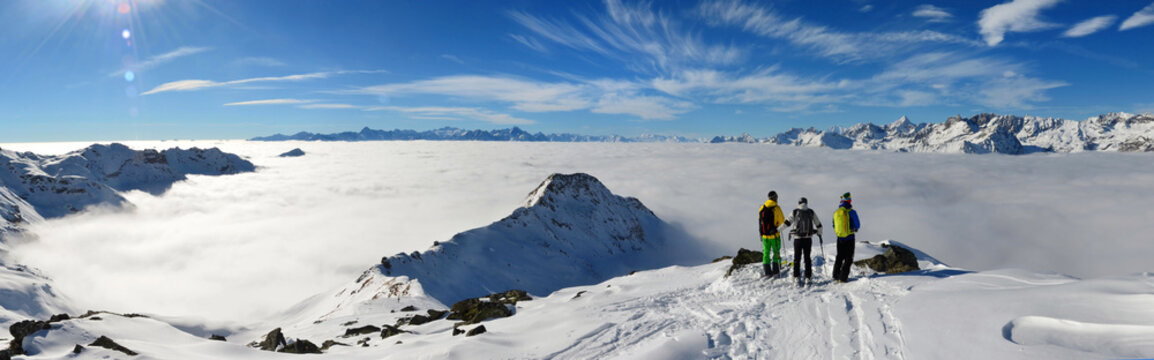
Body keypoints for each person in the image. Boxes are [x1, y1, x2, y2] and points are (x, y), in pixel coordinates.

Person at [784, 197, 822, 285]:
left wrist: (778, 229)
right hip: (808, 238)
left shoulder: (795, 211)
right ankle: (808, 277)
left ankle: (796, 277)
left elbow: (787, 222)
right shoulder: (811, 212)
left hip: (797, 239)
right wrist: (819, 233)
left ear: (799, 203)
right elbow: (818, 224)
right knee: (807, 258)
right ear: (806, 203)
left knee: (797, 258)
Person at [832, 192, 861, 283]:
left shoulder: (836, 212)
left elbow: (833, 225)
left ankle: (835, 275)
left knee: (839, 257)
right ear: (849, 201)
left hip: (839, 238)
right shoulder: (851, 212)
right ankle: (843, 278)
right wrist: (854, 228)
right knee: (848, 258)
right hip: (850, 237)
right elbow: (858, 225)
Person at [758, 191, 785, 278]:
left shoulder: (762, 207)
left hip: (765, 236)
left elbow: (760, 222)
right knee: (776, 252)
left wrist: (761, 233)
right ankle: (776, 270)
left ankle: (767, 271)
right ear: (775, 198)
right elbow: (782, 221)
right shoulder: (776, 208)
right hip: (774, 235)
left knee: (766, 253)